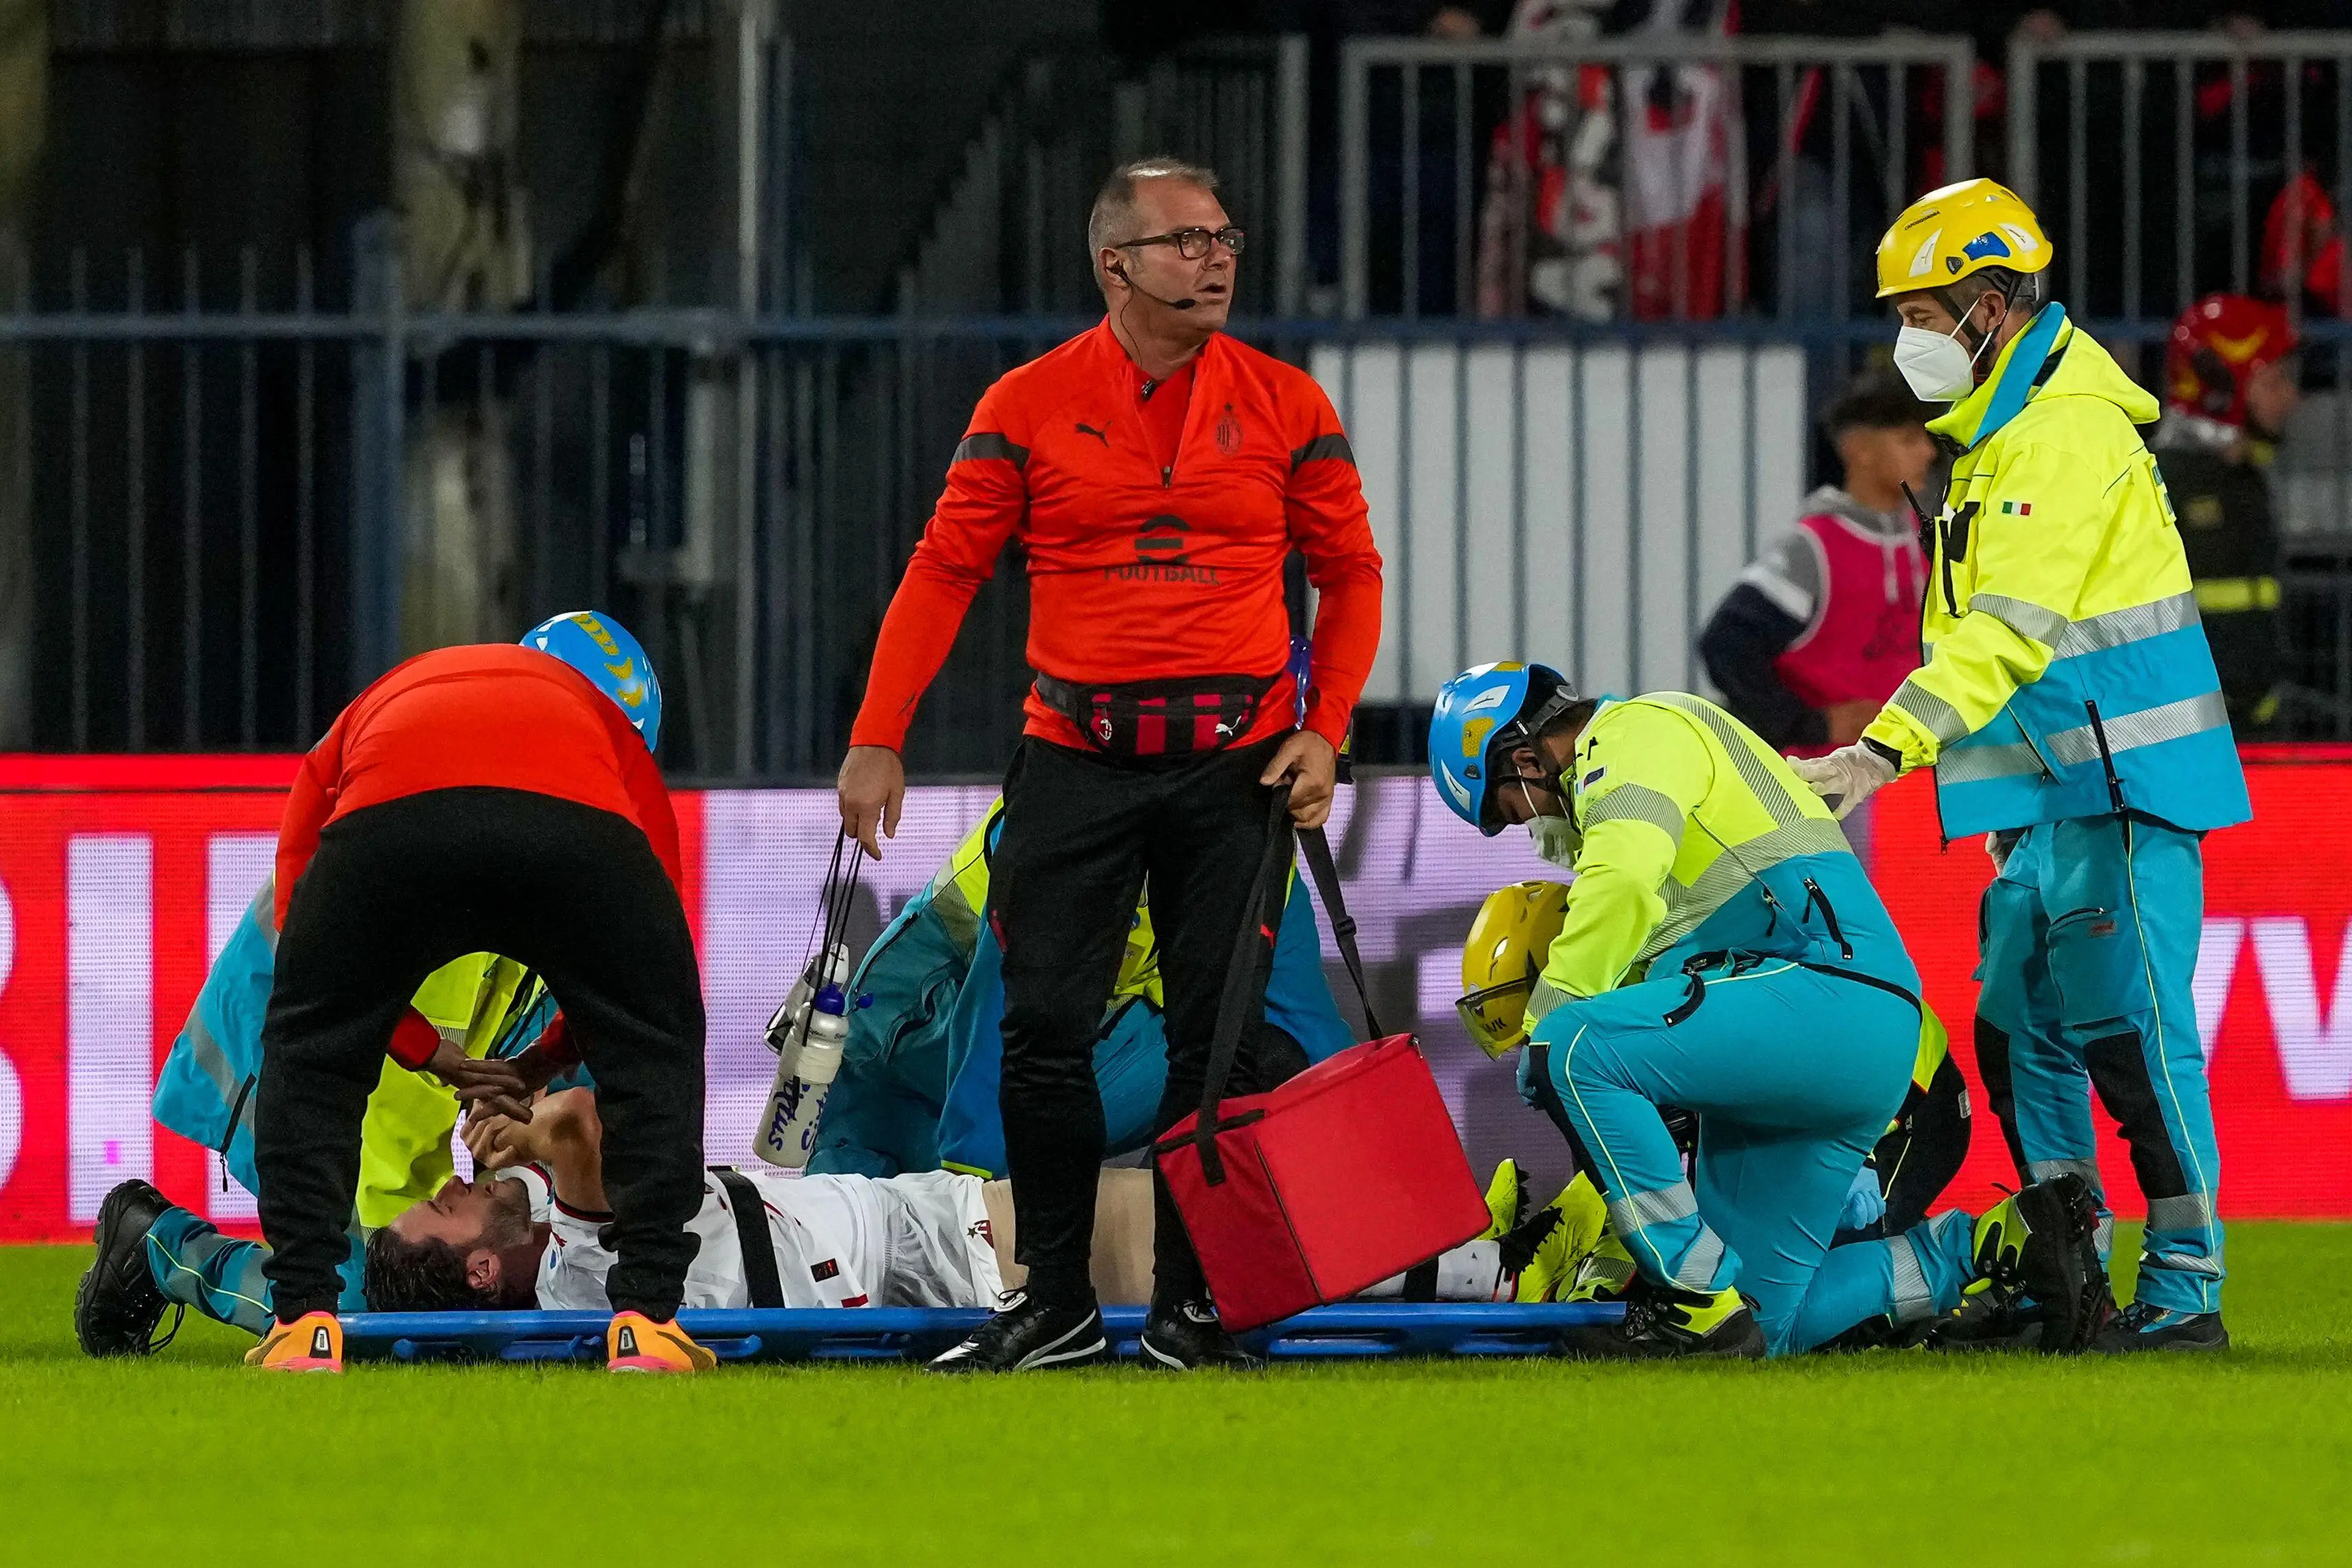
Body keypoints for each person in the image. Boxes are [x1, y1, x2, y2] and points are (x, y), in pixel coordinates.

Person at [835, 157, 1383, 1372]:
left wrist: (1324, 725)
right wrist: (879, 733)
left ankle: (1192, 1305)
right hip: (1071, 760)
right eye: (1184, 239)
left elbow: (1349, 575)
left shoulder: (1291, 404)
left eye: (1224, 236)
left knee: (1216, 1044)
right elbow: (941, 571)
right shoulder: (1023, 404)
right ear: (1114, 264)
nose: (1216, 257)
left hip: (1234, 767)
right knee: (1041, 1033)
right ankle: (1057, 1303)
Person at [1789, 179, 2250, 1353]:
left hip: (2119, 787)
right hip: (2043, 795)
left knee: (2132, 1036)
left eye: (1924, 311)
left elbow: (2006, 630)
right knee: (2020, 1037)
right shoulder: (1998, 435)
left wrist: (1878, 750)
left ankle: (2185, 1288)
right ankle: (2067, 1264)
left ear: (1992, 304)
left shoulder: (2063, 432)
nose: (1907, 338)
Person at [1428, 661, 2110, 1358]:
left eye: (1509, 808)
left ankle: (1688, 1297)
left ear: (1523, 759)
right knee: (1765, 1322)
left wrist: (1550, 1021)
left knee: (1571, 1046)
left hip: (1819, 994)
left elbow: (1624, 881)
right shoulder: (1648, 757)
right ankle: (1991, 1243)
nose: (1528, 827)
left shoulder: (1634, 732)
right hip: (1833, 1024)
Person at [242, 610, 716, 1376]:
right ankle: (649, 1321)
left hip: (391, 826)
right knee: (655, 1047)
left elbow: (307, 956)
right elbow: (655, 957)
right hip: (577, 836)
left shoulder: (382, 698)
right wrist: (553, 1056)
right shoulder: (606, 730)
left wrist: (422, 1049)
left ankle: (303, 1325)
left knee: (312, 1055)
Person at [366, 1088, 1533, 1317]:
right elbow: (582, 1121)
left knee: (1191, 1219)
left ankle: (1475, 1253)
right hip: (947, 1251)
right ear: (479, 1268)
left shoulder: (575, 1266)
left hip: (927, 1235)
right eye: (447, 1211)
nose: (454, 1184)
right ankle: (1486, 1263)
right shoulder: (581, 1263)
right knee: (1192, 1224)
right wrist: (527, 1124)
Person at [73, 896, 551, 1352]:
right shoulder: (470, 876)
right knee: (371, 1308)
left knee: (400, 1301)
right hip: (297, 1062)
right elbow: (397, 1110)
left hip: (342, 1057)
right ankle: (161, 1245)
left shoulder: (530, 865)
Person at [810, 795, 1355, 1179]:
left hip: (1030, 1057)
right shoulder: (1078, 820)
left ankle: (1178, 1242)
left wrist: (1386, 1163)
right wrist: (974, 1189)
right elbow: (999, 1015)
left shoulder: (1266, 869)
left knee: (1267, 1052)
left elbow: (1314, 1040)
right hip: (907, 1059)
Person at [1697, 370, 1933, 757]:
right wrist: (1807, 724)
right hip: (1825, 779)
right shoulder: (1813, 548)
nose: (1928, 451)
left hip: (1908, 776)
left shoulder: (1926, 536)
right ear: (1860, 449)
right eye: (1909, 439)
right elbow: (1726, 645)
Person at [2150, 293, 2298, 733]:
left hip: (2253, 729)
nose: (2291, 397)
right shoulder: (2158, 483)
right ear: (2222, 389)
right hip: (2183, 737)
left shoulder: (2245, 475)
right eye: (2273, 382)